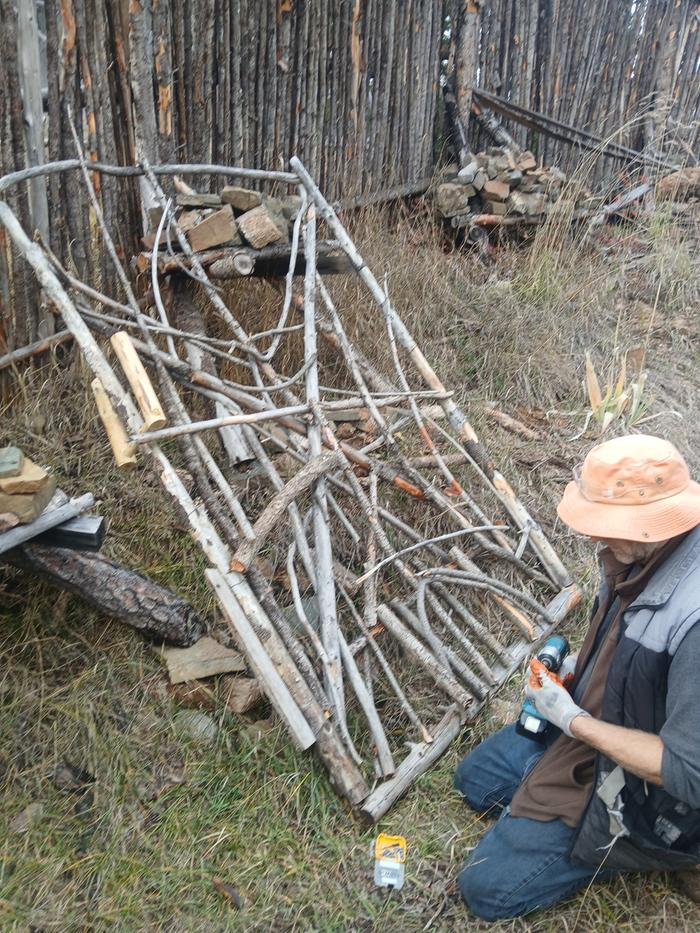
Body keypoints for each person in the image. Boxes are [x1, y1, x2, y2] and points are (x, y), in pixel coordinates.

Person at [454, 434, 700, 920]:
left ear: (649, 524)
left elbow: (686, 773)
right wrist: (573, 675)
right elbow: (624, 650)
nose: (594, 536)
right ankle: (547, 806)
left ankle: (660, 848)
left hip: (653, 794)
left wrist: (572, 722)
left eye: (605, 525)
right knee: (476, 779)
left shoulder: (693, 619)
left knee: (486, 887)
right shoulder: (636, 555)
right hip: (599, 737)